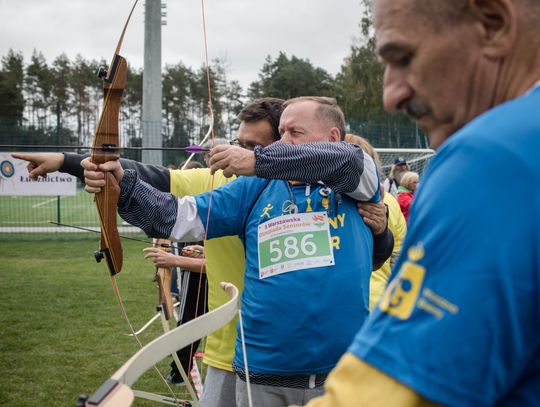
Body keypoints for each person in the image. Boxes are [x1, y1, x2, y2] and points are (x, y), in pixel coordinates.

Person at [12, 97, 392, 406]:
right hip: (262, 371)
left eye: (296, 132)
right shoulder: (253, 189)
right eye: (281, 133)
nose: (283, 141)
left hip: (342, 370)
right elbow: (178, 217)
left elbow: (345, 160)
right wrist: (122, 182)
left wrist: (257, 160)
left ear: (333, 135)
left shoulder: (356, 180)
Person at [303, 0, 540, 405]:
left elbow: (386, 396)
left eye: (404, 58)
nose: (391, 96)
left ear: (494, 24)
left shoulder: (493, 155)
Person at [345, 133, 407, 309]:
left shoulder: (330, 200)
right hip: (381, 301)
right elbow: (399, 257)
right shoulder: (390, 201)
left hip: (343, 302)